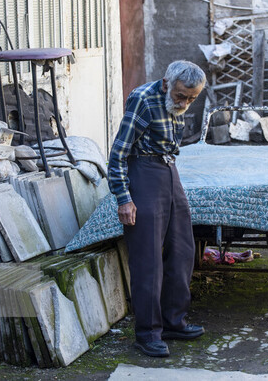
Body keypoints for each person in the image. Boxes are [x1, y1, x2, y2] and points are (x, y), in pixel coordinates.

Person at [108, 60, 206, 357]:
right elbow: (118, 153)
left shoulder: (179, 104)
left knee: (182, 249)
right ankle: (147, 333)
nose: (185, 103)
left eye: (191, 98)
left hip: (168, 171)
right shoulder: (143, 99)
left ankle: (173, 321)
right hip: (144, 173)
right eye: (180, 96)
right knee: (147, 259)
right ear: (166, 84)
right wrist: (124, 198)